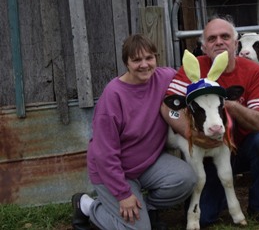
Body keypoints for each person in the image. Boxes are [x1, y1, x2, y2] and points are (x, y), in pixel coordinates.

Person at [161, 16, 259, 227]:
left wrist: (229, 104)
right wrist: (191, 135)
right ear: (204, 47)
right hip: (206, 151)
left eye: (225, 36)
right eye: (212, 38)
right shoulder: (194, 68)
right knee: (205, 216)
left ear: (236, 43)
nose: (219, 42)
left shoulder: (255, 72)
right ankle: (219, 198)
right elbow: (167, 108)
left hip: (243, 147)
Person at [71, 34, 197, 230]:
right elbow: (104, 154)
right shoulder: (113, 95)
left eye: (149, 58)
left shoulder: (166, 77)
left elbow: (196, 84)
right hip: (113, 171)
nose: (144, 65)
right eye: (136, 60)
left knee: (186, 178)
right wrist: (123, 194)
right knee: (138, 229)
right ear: (126, 63)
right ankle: (88, 206)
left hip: (147, 164)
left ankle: (146, 209)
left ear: (156, 58)